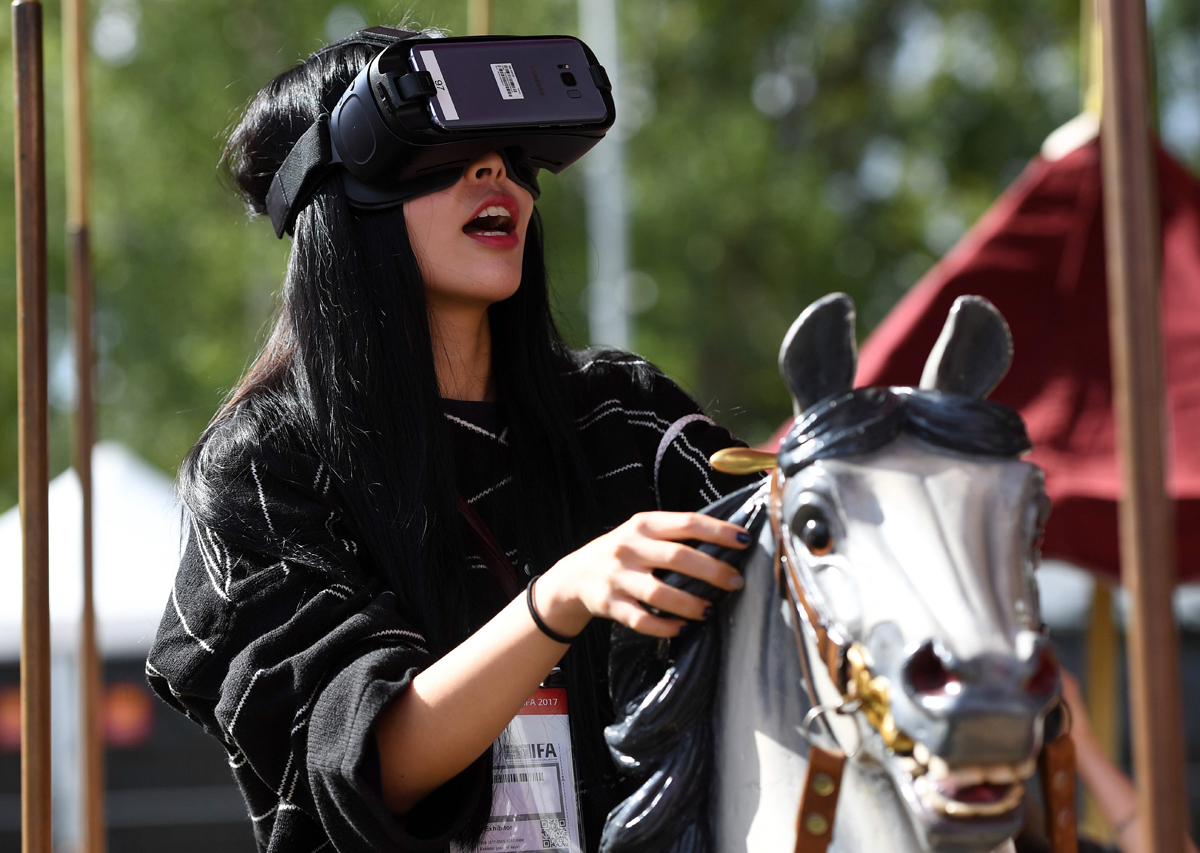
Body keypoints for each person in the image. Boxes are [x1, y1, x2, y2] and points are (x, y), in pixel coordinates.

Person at [146, 26, 759, 853]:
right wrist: (561, 597)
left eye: (510, 151)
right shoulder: (260, 468)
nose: (493, 170)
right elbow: (367, 761)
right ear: (335, 191)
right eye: (436, 144)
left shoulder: (629, 418)